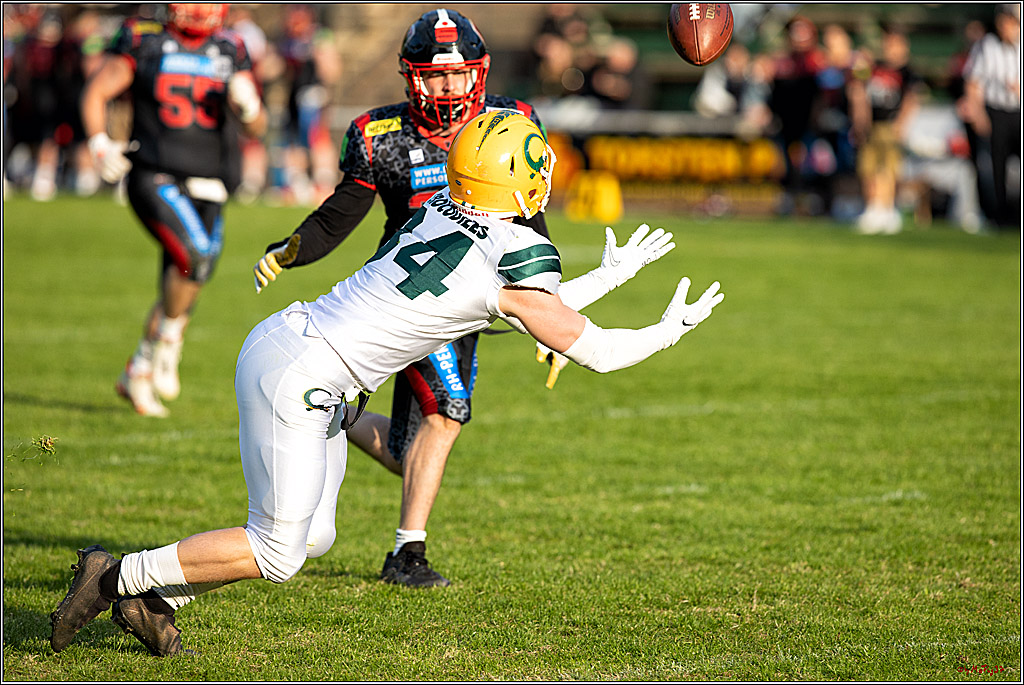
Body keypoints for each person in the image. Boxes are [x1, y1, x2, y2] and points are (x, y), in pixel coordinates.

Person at [49, 109, 725, 657]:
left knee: (311, 536)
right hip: (306, 376)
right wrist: (672, 327)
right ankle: (116, 576)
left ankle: (156, 597)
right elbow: (588, 347)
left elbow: (501, 307)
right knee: (278, 551)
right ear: (515, 182)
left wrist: (609, 278)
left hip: (294, 350)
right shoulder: (512, 255)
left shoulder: (437, 213)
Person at [252, 8, 590, 589]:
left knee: (407, 448)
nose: (449, 86)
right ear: (410, 77)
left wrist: (549, 309)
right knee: (447, 413)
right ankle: (407, 554)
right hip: (409, 295)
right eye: (434, 76)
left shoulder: (512, 120)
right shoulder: (378, 136)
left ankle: (326, 411)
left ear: (479, 73)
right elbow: (342, 214)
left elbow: (529, 221)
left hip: (476, 295)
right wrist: (292, 249)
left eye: (459, 74)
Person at [80, 3, 267, 417]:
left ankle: (140, 367)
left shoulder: (230, 47)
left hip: (209, 179)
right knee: (195, 254)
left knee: (188, 274)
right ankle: (169, 341)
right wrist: (97, 141)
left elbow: (257, 127)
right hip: (154, 172)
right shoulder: (145, 38)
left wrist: (249, 107)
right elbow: (97, 91)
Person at [852, 23, 922, 235]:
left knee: (889, 169)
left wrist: (901, 123)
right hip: (872, 125)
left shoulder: (908, 72)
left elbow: (912, 99)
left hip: (890, 126)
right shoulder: (874, 67)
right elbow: (858, 87)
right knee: (868, 168)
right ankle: (872, 207)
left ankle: (888, 208)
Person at [959, 4, 1020, 230]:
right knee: (996, 167)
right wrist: (979, 115)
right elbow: (973, 82)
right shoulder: (986, 46)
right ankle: (999, 217)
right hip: (996, 112)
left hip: (1018, 112)